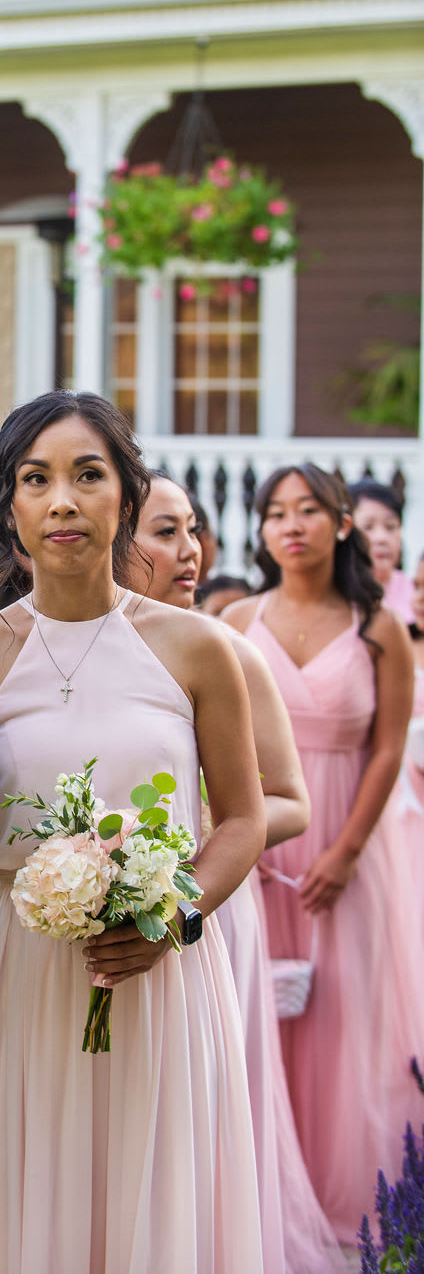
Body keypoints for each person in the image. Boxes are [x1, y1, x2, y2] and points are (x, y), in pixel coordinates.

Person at [0, 391, 267, 1273]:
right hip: (16, 979)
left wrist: (172, 916)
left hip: (161, 972)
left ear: (126, 499)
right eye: (37, 480)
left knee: (155, 1207)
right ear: (11, 511)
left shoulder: (196, 648)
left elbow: (246, 818)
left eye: (87, 475)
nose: (62, 500)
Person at [124, 474, 342, 1274]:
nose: (191, 553)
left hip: (209, 905)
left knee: (203, 1112)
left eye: (195, 531)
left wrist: (209, 832)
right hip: (90, 911)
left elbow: (288, 803)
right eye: (165, 532)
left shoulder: (230, 653)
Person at [223, 464, 419, 1248]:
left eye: (308, 510)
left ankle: (348, 1220)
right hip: (256, 841)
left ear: (341, 523)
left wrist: (343, 852)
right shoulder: (236, 620)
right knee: (260, 1014)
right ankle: (265, 1200)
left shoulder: (381, 629)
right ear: (263, 531)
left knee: (343, 1021)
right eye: (276, 513)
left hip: (350, 846)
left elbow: (387, 751)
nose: (291, 525)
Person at [350, 478, 414, 623]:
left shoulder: (416, 593)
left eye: (390, 526)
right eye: (368, 527)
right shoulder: (333, 595)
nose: (381, 538)